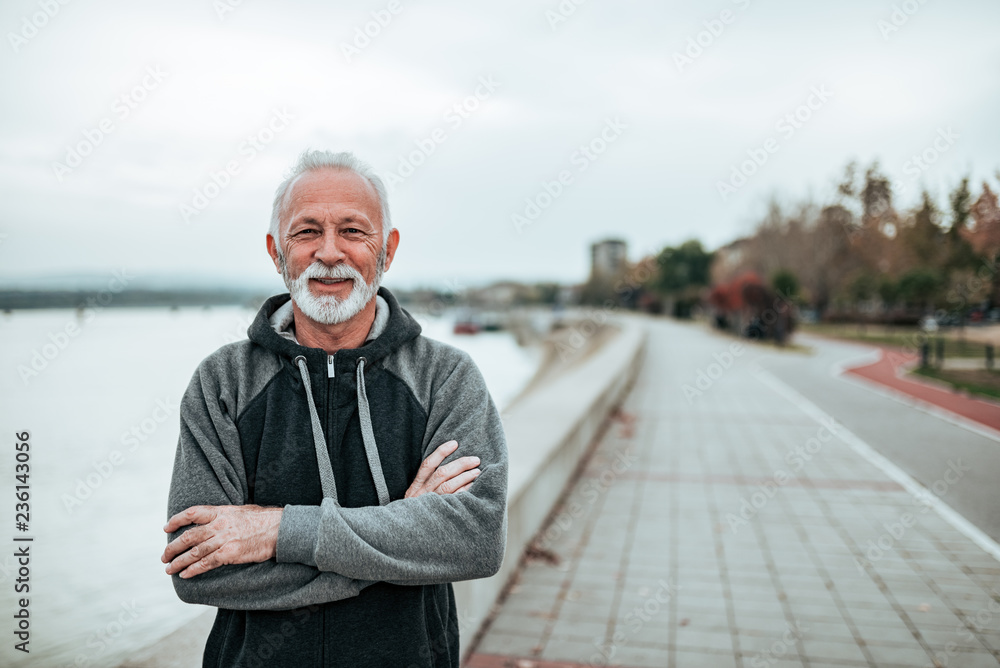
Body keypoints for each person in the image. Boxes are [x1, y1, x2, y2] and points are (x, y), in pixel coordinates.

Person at [160, 150, 508, 668]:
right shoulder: (223, 382)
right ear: (277, 252)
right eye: (306, 232)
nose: (329, 253)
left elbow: (473, 540)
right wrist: (401, 535)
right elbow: (198, 567)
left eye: (352, 230)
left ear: (386, 250)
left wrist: (276, 532)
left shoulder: (445, 377)